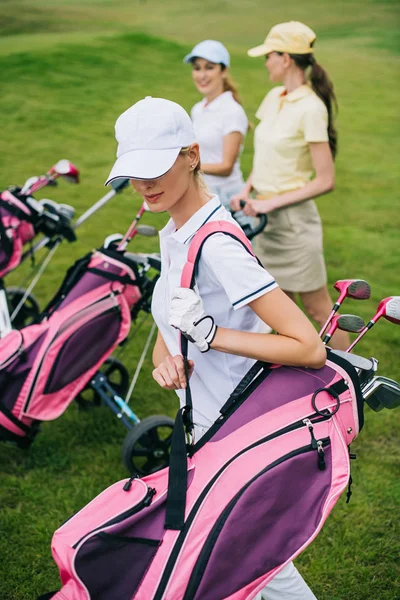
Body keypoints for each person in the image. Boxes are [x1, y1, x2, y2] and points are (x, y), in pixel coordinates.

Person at [106, 96, 326, 600]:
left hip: (236, 430)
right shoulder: (174, 230)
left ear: (191, 154)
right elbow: (170, 326)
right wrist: (169, 360)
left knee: (254, 563)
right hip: (201, 427)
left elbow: (308, 347)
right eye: (134, 172)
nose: (143, 184)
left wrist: (210, 334)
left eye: (155, 167)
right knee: (235, 564)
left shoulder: (218, 244)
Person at [231, 21, 350, 351]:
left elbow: (326, 180)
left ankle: (353, 374)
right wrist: (248, 189)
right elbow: (265, 156)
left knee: (317, 307)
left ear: (286, 59)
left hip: (294, 226)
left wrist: (272, 203)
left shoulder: (311, 108)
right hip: (264, 222)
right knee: (276, 311)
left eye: (269, 55)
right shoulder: (273, 97)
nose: (266, 62)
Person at [184, 39, 250, 225]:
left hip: (229, 204)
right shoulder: (198, 109)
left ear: (224, 70)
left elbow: (226, 167)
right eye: (197, 68)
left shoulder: (232, 111)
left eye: (209, 67)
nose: (202, 75)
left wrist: (185, 165)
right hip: (203, 198)